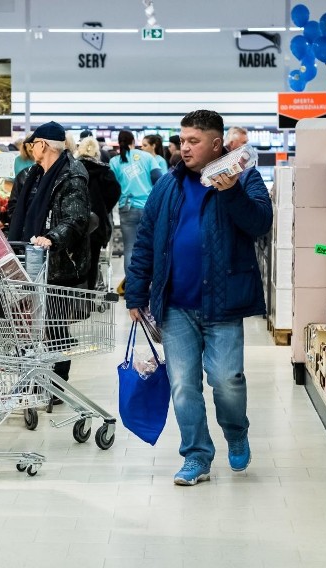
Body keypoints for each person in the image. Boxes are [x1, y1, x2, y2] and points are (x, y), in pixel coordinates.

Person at [125, 110, 272, 486]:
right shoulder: (168, 185)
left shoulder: (245, 177)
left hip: (223, 303)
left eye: (193, 141)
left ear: (216, 143)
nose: (184, 147)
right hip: (175, 306)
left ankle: (236, 431)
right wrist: (136, 294)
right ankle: (196, 456)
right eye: (183, 139)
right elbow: (145, 241)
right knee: (183, 385)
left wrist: (232, 191)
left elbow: (259, 224)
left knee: (226, 380)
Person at [8, 121, 91, 398]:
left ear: (43, 144)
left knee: (54, 326)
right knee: (29, 325)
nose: (31, 149)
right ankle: (35, 375)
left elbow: (76, 218)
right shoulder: (30, 175)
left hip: (58, 264)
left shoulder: (72, 175)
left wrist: (52, 238)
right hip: (27, 260)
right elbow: (14, 209)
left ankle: (56, 382)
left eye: (33, 144)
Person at [109, 130, 163, 294]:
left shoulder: (114, 162)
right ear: (134, 141)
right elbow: (158, 179)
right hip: (148, 207)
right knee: (152, 246)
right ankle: (152, 285)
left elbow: (113, 186)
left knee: (130, 249)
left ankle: (133, 288)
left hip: (127, 207)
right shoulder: (147, 157)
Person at [76, 136, 121, 291]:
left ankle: (77, 301)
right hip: (96, 225)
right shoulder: (105, 172)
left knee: (74, 261)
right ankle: (89, 297)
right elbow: (115, 192)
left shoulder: (73, 169)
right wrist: (103, 209)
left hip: (74, 225)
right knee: (93, 261)